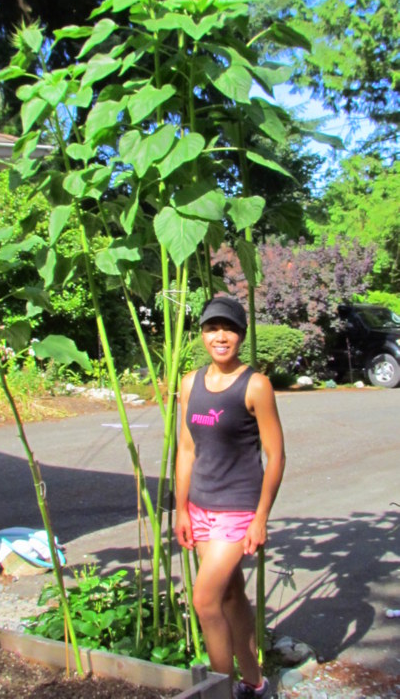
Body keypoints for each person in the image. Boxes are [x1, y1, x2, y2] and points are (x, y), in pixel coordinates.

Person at [175, 296, 286, 699]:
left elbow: (275, 455)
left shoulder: (255, 385)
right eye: (212, 328)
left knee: (205, 601)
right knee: (231, 595)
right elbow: (187, 449)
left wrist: (261, 518)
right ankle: (255, 683)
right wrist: (181, 509)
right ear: (202, 334)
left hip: (237, 510)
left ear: (240, 335)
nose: (220, 336)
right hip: (200, 507)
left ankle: (219, 691)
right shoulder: (190, 383)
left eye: (229, 329)